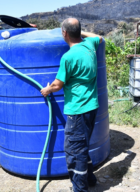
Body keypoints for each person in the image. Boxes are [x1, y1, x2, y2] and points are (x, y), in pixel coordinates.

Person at [40, 18, 102, 192]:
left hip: (78, 110)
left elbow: (57, 84)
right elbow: (99, 37)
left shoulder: (68, 57)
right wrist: (80, 32)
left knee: (75, 151)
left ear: (64, 33)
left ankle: (80, 189)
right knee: (82, 145)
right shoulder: (90, 45)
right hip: (92, 107)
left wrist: (47, 90)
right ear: (79, 32)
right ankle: (90, 179)